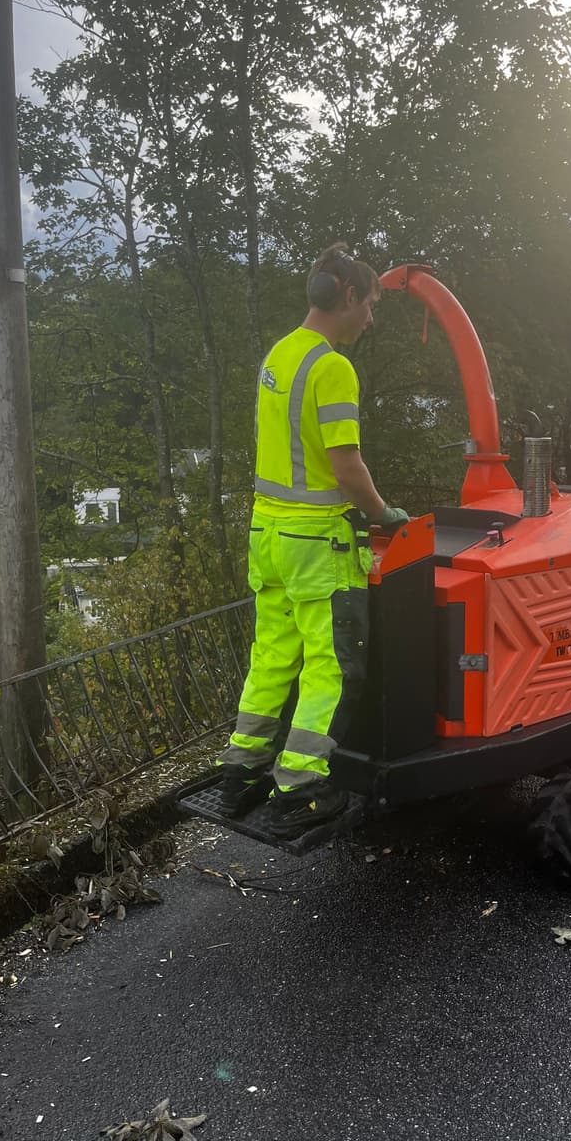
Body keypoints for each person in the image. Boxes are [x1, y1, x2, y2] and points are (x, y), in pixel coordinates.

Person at [215, 243, 408, 835]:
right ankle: (300, 787)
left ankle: (242, 772)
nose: (371, 320)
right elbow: (344, 463)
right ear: (346, 297)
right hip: (316, 542)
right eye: (370, 305)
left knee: (273, 654)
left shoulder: (280, 354)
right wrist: (383, 513)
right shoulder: (331, 366)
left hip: (266, 534)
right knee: (331, 664)